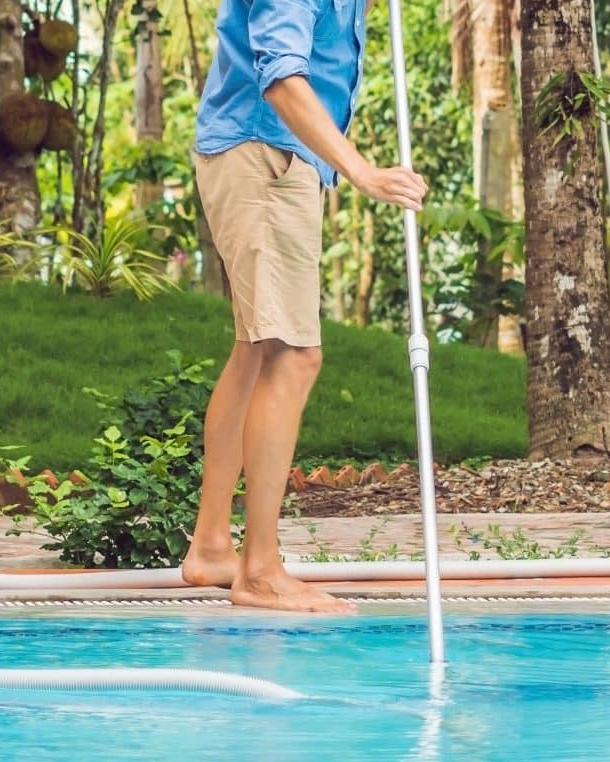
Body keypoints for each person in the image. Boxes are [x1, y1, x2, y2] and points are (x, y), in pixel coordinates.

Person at [180, 0, 428, 612]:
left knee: (259, 351)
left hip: (276, 158)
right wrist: (362, 171)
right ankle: (258, 570)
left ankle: (213, 545)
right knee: (294, 356)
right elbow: (282, 78)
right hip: (265, 154)